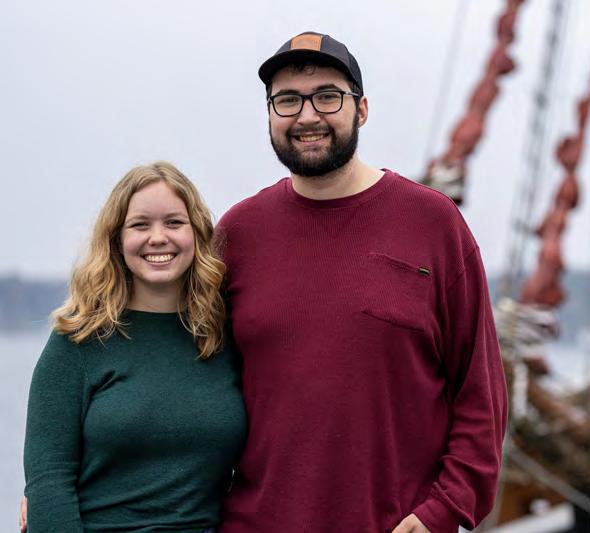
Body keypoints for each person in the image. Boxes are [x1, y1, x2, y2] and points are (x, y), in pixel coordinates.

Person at [217, 32, 508, 533]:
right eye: (287, 101)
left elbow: (480, 390)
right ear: (269, 115)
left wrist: (443, 509)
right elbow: (192, 388)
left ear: (362, 109)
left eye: (327, 96)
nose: (307, 116)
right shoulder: (237, 235)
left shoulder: (432, 223)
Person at [22, 162, 247, 533]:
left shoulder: (224, 337)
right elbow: (48, 481)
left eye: (174, 222)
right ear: (117, 239)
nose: (157, 237)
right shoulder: (77, 339)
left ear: (196, 234)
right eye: (140, 225)